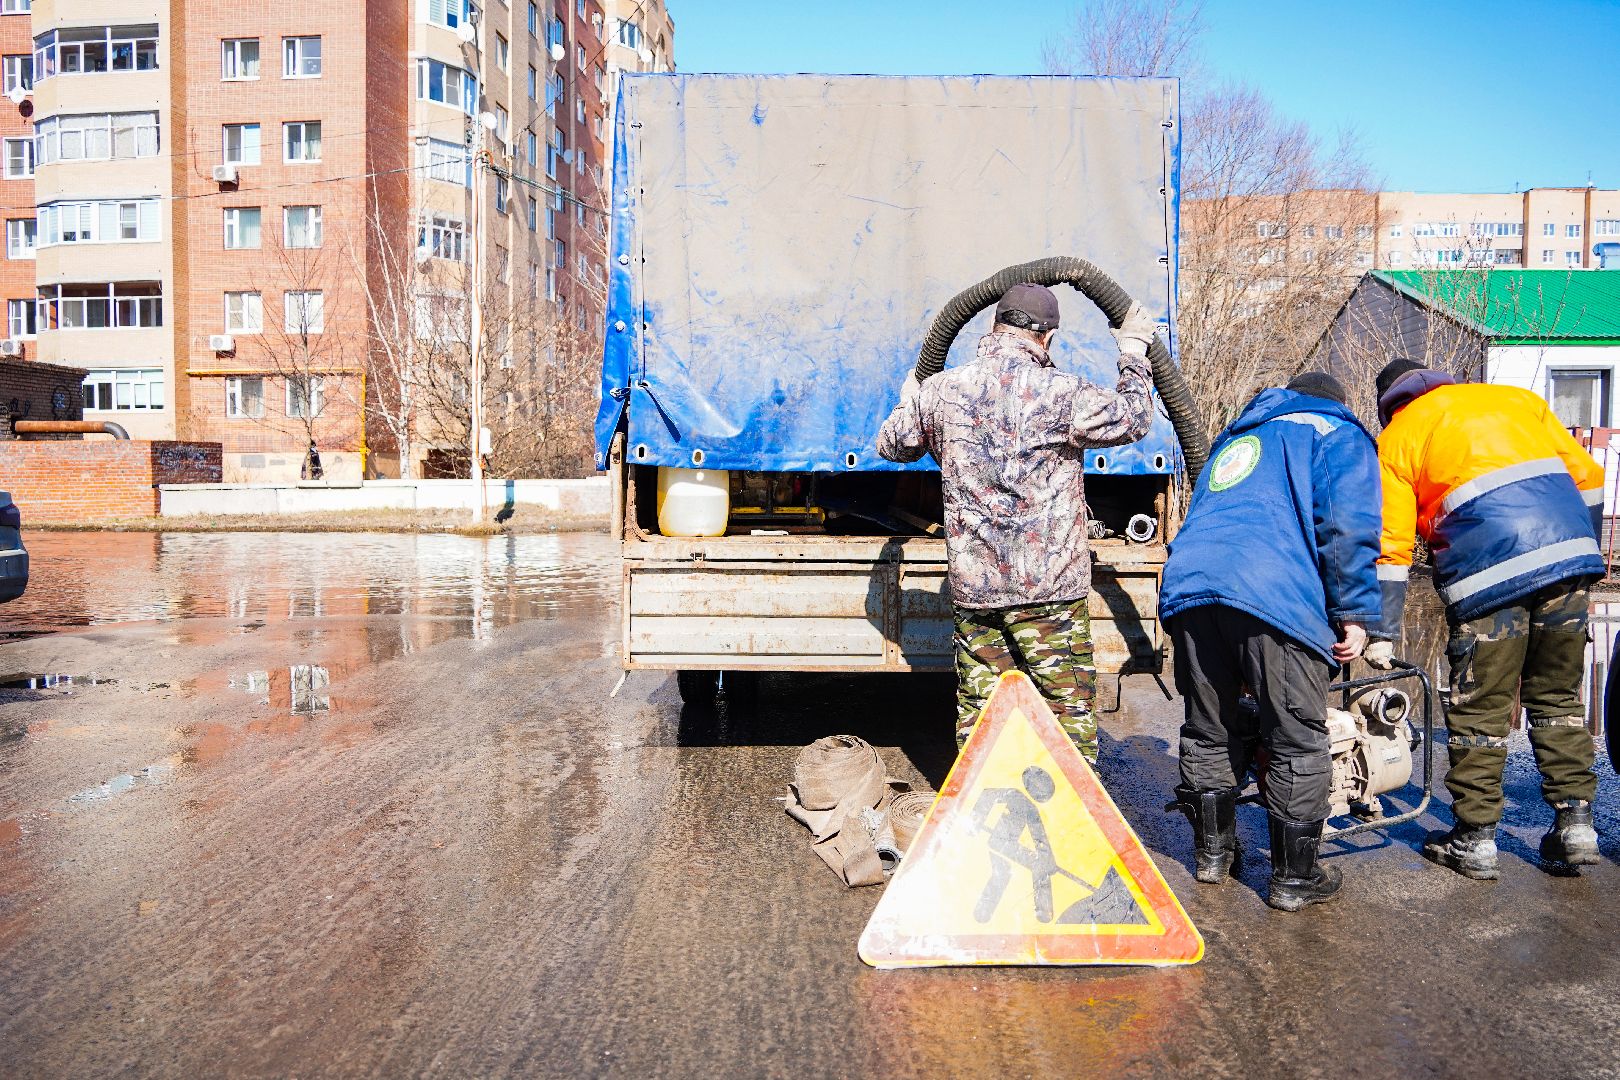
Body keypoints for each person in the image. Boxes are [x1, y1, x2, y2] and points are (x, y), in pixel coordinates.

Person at [876, 284, 1156, 763]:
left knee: (983, 722)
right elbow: (1135, 418)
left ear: (994, 327)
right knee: (1066, 722)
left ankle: (984, 827)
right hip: (1050, 598)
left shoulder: (943, 390)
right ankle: (1068, 833)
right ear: (1046, 338)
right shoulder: (1063, 393)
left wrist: (911, 399)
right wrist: (1132, 354)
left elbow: (892, 444)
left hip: (975, 593)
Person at [1364, 358, 1606, 878]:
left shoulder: (1400, 437)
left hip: (1486, 578)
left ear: (1389, 404)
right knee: (1558, 697)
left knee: (1481, 709)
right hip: (1569, 566)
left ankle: (1474, 839)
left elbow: (1392, 545)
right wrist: (1584, 552)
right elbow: (1588, 477)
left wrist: (1381, 630)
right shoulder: (1518, 401)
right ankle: (1577, 824)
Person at [1159, 371, 1381, 912]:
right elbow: (1347, 527)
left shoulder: (1241, 439)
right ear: (1337, 402)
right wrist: (1353, 612)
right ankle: (1293, 879)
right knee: (1295, 737)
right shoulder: (1333, 430)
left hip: (1191, 588)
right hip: (1270, 594)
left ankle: (1213, 858)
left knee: (1210, 728)